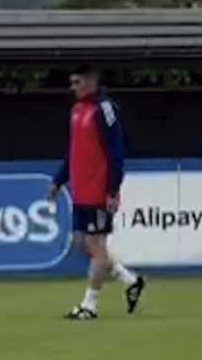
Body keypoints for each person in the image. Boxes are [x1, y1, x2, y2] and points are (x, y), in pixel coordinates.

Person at [51, 66, 144, 320]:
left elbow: (117, 152)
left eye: (77, 81)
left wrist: (112, 190)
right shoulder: (77, 110)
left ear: (91, 81)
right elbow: (74, 151)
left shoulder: (105, 109)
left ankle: (89, 306)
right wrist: (59, 180)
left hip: (98, 190)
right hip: (81, 190)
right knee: (86, 245)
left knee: (96, 246)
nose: (73, 87)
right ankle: (131, 280)